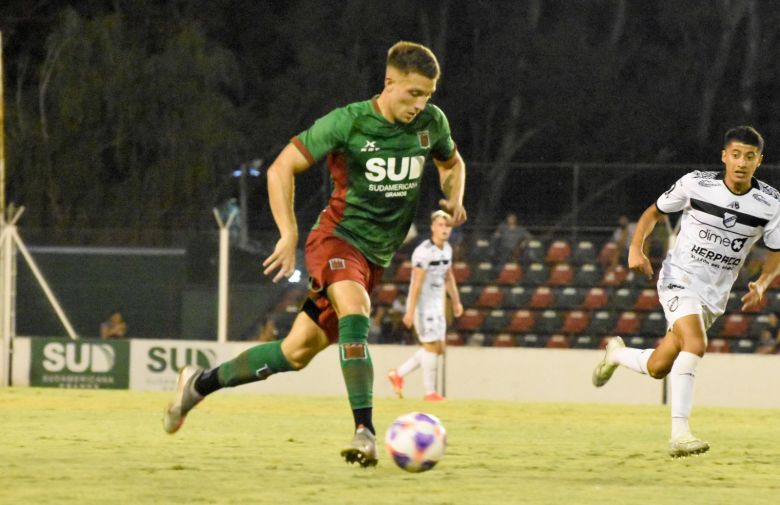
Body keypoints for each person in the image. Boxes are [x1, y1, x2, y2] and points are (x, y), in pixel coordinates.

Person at [163, 41, 467, 468]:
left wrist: (454, 199)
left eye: (427, 95)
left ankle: (199, 384)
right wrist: (287, 233)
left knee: (294, 353)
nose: (420, 104)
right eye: (413, 93)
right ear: (389, 82)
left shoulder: (432, 123)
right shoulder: (348, 122)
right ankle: (365, 432)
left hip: (374, 258)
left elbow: (451, 164)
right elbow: (281, 167)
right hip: (337, 240)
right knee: (355, 311)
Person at [592, 126, 780, 458]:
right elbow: (653, 213)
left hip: (715, 294)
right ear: (724, 156)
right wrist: (636, 248)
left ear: (759, 161)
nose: (741, 163)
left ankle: (617, 355)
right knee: (696, 344)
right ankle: (680, 434)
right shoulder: (696, 184)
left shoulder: (770, 203)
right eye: (735, 155)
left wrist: (762, 282)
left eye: (749, 157)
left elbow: (777, 250)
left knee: (659, 366)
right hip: (679, 277)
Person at [388, 210, 464, 401]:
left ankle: (398, 374)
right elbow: (416, 284)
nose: (444, 228)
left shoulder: (447, 249)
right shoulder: (423, 252)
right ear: (432, 228)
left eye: (447, 225)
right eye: (440, 225)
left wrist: (456, 301)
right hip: (424, 306)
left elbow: (449, 276)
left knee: (439, 348)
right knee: (430, 347)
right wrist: (410, 311)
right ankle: (430, 392)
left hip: (437, 305)